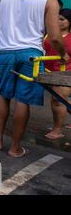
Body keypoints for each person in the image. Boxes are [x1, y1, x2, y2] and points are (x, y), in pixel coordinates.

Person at [0, 0, 68, 158]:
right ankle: (15, 147)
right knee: (22, 100)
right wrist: (63, 55)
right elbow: (55, 36)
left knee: (3, 95)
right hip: (31, 55)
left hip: (5, 52)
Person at [44, 8, 71, 139]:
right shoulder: (50, 34)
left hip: (66, 73)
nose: (59, 22)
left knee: (58, 101)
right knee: (56, 100)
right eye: (57, 19)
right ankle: (56, 125)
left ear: (69, 22)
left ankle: (57, 130)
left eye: (62, 19)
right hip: (49, 72)